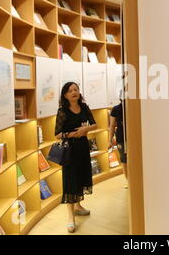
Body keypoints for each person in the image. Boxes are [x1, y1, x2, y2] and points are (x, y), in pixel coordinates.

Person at [54, 82, 98, 233]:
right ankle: (70, 217)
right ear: (65, 95)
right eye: (70, 90)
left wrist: (86, 129)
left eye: (76, 89)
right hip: (70, 151)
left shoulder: (84, 107)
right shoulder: (62, 111)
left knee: (80, 177)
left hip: (83, 148)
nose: (74, 92)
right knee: (70, 181)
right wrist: (74, 134)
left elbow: (94, 124)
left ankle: (78, 207)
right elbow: (57, 134)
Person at [109, 98, 127, 188]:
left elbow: (112, 126)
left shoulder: (133, 107)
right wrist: (110, 140)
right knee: (124, 160)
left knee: (127, 160)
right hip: (121, 138)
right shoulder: (115, 109)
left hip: (132, 138)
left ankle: (132, 180)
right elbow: (112, 125)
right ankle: (128, 180)